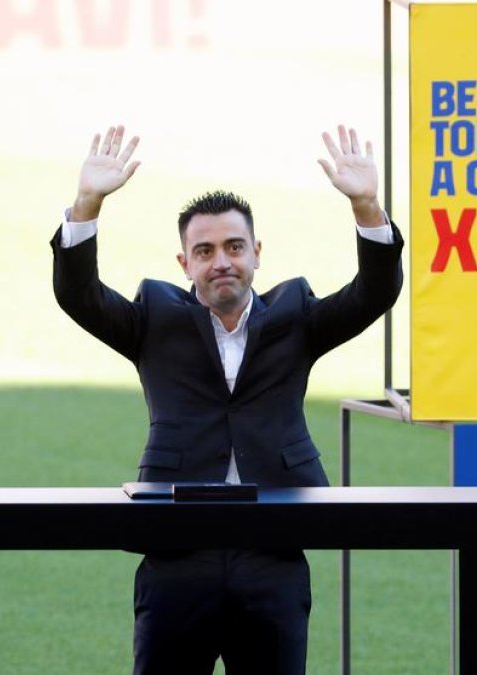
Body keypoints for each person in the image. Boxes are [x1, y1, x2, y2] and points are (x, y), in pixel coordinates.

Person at [51, 125, 403, 674]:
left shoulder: (296, 315)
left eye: (235, 247)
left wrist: (366, 206)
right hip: (176, 554)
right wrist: (87, 203)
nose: (222, 262)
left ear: (257, 254)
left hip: (273, 552)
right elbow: (78, 295)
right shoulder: (154, 318)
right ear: (184, 263)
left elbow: (375, 291)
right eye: (205, 251)